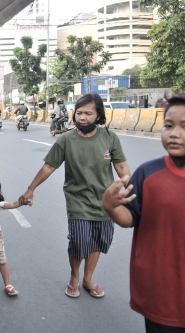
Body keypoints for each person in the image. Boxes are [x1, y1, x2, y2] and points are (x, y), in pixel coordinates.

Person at [19, 93, 131, 298]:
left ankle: (88, 279)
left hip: (106, 201)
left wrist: (131, 192)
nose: (82, 117)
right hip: (77, 199)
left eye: (88, 113)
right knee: (79, 241)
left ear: (98, 116)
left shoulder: (109, 138)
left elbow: (122, 167)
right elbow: (49, 166)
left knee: (98, 241)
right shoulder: (66, 139)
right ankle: (74, 275)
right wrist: (31, 188)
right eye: (79, 113)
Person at [102, 92, 185, 332]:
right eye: (168, 125)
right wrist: (110, 205)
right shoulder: (148, 174)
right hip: (160, 296)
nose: (174, 133)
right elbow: (130, 218)